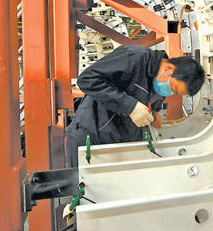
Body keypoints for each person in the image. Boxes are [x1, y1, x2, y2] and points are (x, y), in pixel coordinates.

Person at [66, 45, 205, 166]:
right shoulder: (133, 57)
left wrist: (153, 112)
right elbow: (87, 80)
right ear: (169, 68)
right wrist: (131, 107)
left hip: (117, 147)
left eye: (174, 93)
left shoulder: (161, 80)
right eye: (173, 88)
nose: (169, 93)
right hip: (89, 140)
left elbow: (145, 98)